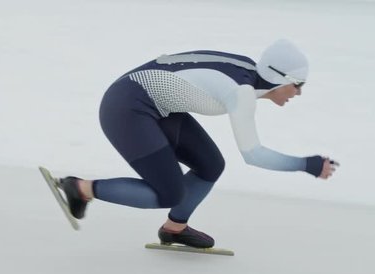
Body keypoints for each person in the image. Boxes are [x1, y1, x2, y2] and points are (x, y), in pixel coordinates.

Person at [58, 39, 338, 248]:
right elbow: (253, 155)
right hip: (127, 108)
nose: (299, 93)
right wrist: (307, 164)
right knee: (169, 193)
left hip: (156, 106)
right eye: (299, 84)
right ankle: (80, 189)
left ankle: (175, 228)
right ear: (281, 78)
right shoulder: (240, 92)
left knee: (210, 165)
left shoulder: (247, 73)